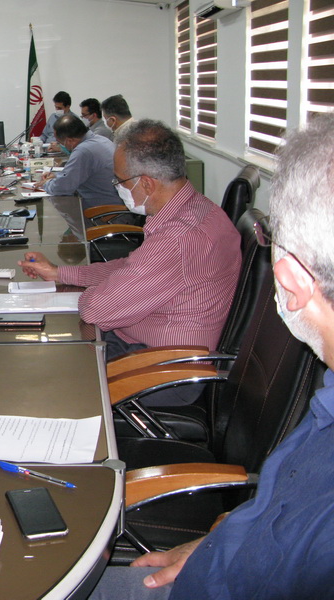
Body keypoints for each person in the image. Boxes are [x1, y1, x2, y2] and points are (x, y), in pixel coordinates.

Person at [87, 113, 334, 600]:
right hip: (216, 550)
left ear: (289, 279)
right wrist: (227, 532)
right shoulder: (324, 403)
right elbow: (273, 515)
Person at [19, 120, 241, 379]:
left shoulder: (177, 240)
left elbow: (96, 310)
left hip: (159, 368)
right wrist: (60, 273)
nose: (117, 186)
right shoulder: (201, 209)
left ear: (146, 184)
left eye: (119, 180)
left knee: (42, 365)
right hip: (151, 349)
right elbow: (129, 266)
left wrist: (87, 291)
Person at [36, 114, 122, 211]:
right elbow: (75, 174)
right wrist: (57, 176)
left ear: (69, 141)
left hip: (103, 211)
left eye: (59, 142)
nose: (59, 145)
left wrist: (46, 183)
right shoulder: (100, 140)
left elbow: (63, 187)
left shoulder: (83, 151)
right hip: (114, 204)